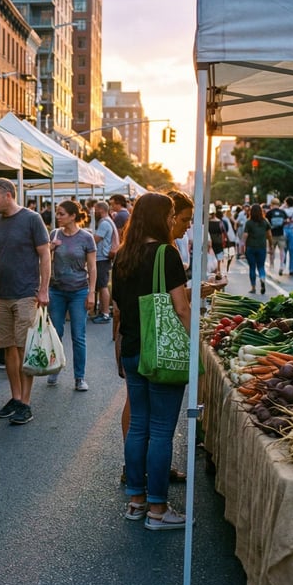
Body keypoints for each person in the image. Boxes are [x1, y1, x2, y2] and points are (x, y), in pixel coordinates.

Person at [112, 192, 190, 531]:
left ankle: (136, 502)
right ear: (162, 218)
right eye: (172, 215)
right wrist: (193, 345)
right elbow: (182, 308)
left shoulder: (122, 255)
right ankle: (158, 510)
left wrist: (117, 350)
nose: (174, 221)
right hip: (160, 350)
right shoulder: (166, 254)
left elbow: (117, 309)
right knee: (160, 431)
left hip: (131, 347)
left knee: (139, 426)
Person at [0, 178, 50, 426]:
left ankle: (26, 403)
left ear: (8, 195)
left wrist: (43, 289)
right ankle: (16, 398)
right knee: (8, 347)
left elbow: (45, 255)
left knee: (23, 348)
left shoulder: (32, 219)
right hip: (1, 295)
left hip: (25, 294)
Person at [45, 201, 96, 391]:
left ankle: (79, 377)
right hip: (57, 290)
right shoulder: (54, 234)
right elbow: (45, 261)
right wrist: (50, 248)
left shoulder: (86, 237)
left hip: (79, 291)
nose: (58, 217)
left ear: (73, 216)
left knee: (78, 336)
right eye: (57, 213)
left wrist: (91, 293)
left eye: (62, 214)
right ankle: (54, 369)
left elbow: (92, 267)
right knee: (56, 333)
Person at [92, 200, 118, 323]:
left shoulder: (104, 223)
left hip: (102, 257)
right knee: (101, 285)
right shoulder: (108, 221)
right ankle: (102, 311)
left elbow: (95, 240)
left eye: (95, 210)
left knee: (103, 286)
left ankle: (105, 313)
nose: (94, 212)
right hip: (103, 257)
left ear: (101, 210)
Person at [241, 203, 272, 294]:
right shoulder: (265, 221)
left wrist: (242, 247)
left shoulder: (248, 222)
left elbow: (245, 236)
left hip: (250, 248)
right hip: (262, 247)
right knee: (261, 266)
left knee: (252, 267)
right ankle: (262, 278)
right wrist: (271, 246)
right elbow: (269, 235)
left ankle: (253, 287)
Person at [265, 198, 287, 274]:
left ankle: (271, 266)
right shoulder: (282, 212)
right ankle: (281, 266)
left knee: (272, 251)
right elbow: (286, 221)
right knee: (282, 250)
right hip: (281, 234)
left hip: (272, 235)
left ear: (271, 204)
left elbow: (266, 224)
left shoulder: (269, 213)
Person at [208, 207, 226, 276]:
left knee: (211, 256)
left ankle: (214, 271)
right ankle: (218, 270)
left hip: (211, 242)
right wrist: (223, 242)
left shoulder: (208, 223)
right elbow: (222, 233)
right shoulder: (219, 222)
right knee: (219, 257)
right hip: (219, 242)